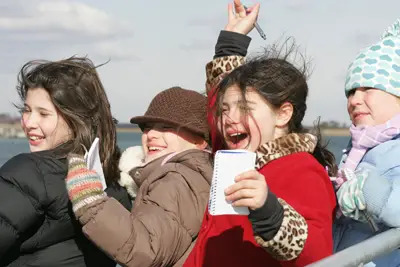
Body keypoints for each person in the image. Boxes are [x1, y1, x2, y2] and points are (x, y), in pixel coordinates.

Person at [184, 1, 337, 266]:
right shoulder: (238, 156)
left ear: (283, 114)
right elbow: (216, 103)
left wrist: (270, 212)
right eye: (225, 109)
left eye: (244, 108)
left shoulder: (302, 169)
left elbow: (319, 255)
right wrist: (232, 43)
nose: (229, 118)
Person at [0, 57, 131, 267]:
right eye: (26, 110)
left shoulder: (30, 171)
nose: (29, 123)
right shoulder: (113, 182)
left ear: (76, 120)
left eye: (43, 114)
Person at [65, 86, 213, 267]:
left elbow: (146, 251)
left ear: (199, 140)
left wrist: (91, 202)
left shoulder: (176, 178)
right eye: (147, 127)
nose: (151, 135)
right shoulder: (197, 174)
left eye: (166, 127)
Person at [333, 18, 400, 266]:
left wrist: (373, 193)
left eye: (367, 89)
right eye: (350, 92)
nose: (354, 100)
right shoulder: (357, 148)